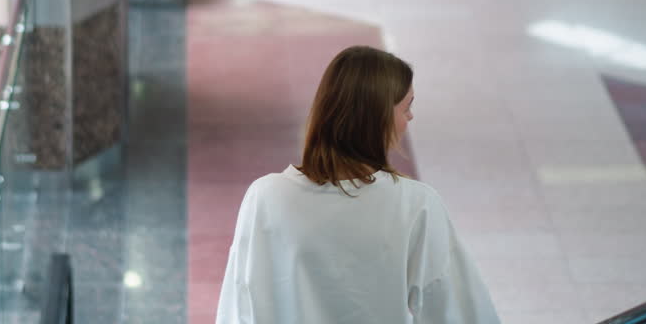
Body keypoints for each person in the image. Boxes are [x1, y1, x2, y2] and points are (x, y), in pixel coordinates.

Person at [215, 46, 501, 324]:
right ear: (377, 120)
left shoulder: (266, 196)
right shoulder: (414, 205)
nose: (410, 117)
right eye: (407, 106)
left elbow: (238, 304)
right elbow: (458, 310)